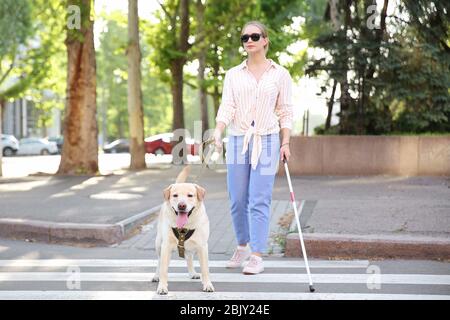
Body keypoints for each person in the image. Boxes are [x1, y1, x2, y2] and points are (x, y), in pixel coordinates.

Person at [213, 20, 293, 275]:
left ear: (265, 40)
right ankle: (242, 245)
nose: (249, 40)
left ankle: (257, 254)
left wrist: (286, 142)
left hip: (268, 140)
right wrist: (217, 131)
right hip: (238, 139)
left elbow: (285, 111)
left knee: (259, 199)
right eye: (244, 37)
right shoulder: (233, 74)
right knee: (237, 199)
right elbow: (228, 106)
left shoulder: (280, 74)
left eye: (254, 36)